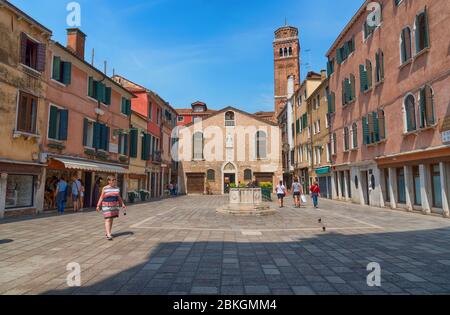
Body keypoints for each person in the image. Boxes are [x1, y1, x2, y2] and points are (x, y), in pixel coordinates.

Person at [96, 176, 126, 241]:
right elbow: (101, 197)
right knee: (108, 219)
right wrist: (98, 205)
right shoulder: (105, 188)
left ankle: (108, 232)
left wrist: (122, 204)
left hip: (114, 206)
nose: (113, 181)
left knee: (111, 219)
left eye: (114, 180)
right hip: (106, 205)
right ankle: (109, 234)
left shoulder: (117, 188)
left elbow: (119, 197)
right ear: (109, 181)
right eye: (112, 180)